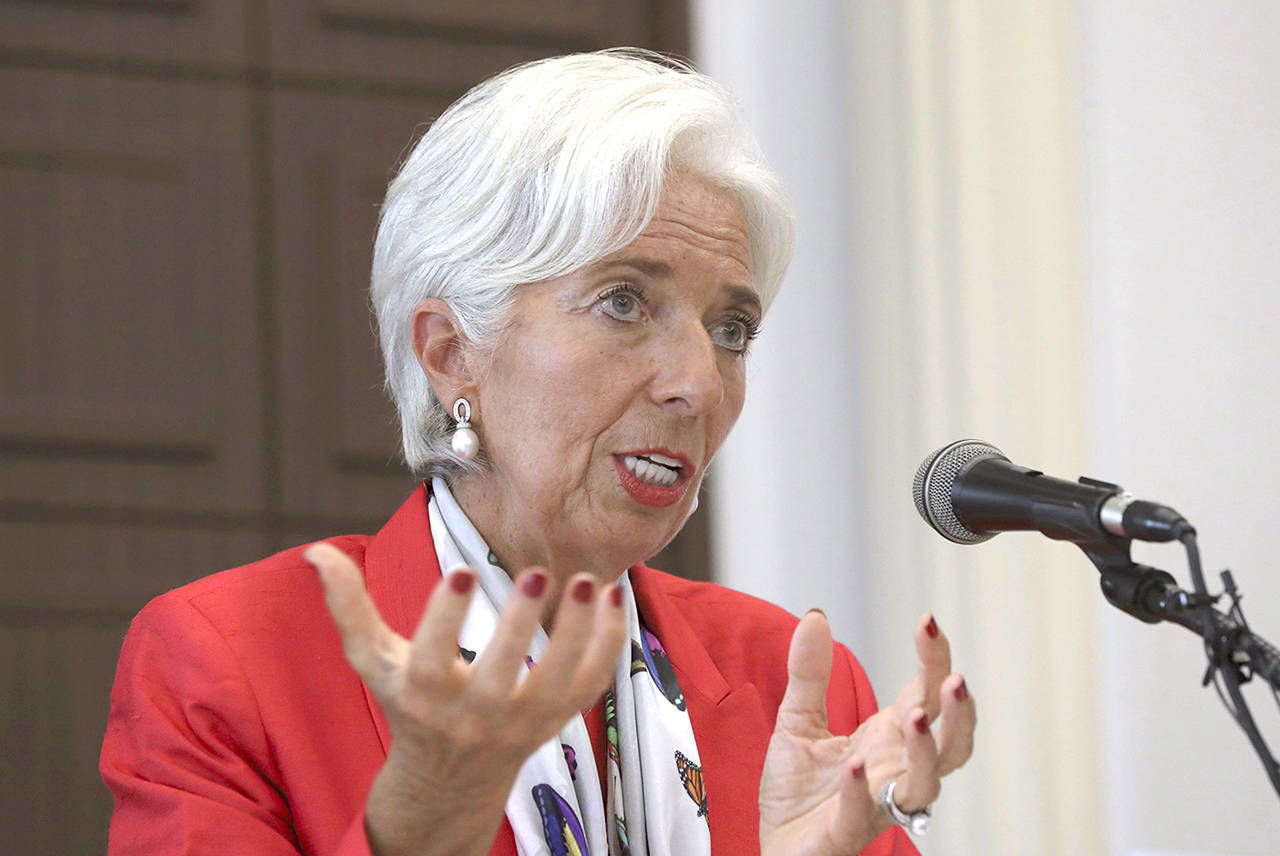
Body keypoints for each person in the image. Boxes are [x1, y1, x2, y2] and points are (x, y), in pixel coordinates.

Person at [100, 49, 975, 856]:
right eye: (625, 303)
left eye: (731, 329)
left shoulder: (789, 679)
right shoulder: (231, 660)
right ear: (451, 352)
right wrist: (421, 826)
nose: (698, 385)